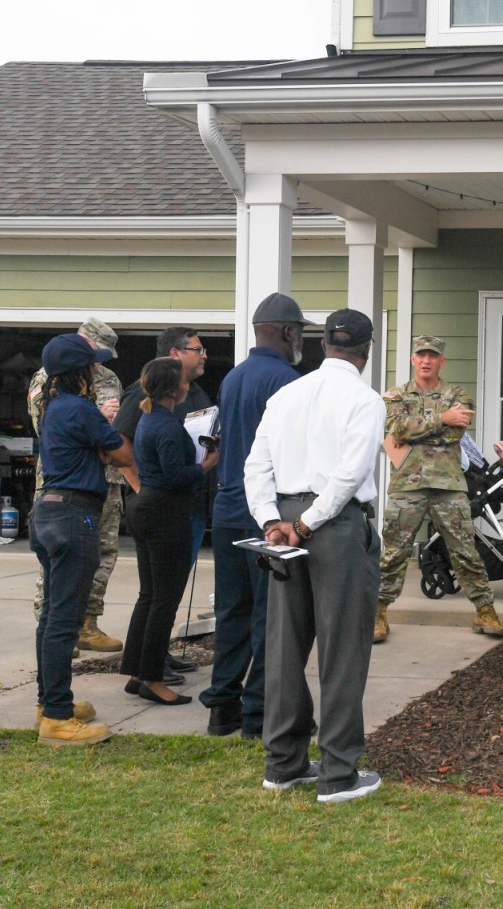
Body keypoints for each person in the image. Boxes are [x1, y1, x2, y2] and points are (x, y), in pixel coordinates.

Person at [244, 308, 385, 804]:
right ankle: (340, 773)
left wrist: (272, 522)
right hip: (337, 527)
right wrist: (304, 524)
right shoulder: (364, 400)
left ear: (323, 343)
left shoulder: (286, 394)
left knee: (284, 646)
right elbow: (349, 476)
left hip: (283, 521)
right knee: (342, 652)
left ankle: (282, 764)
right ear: (367, 350)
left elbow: (255, 467)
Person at [200, 293, 311, 739]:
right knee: (271, 617)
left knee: (232, 612)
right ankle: (257, 714)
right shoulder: (288, 380)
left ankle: (221, 706)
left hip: (227, 509)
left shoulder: (233, 378)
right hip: (266, 514)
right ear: (288, 332)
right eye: (300, 332)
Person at [30, 333, 133, 746]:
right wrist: (109, 437)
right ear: (80, 372)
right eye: (92, 365)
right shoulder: (81, 408)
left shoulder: (53, 406)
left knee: (52, 617)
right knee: (65, 623)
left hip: (48, 511)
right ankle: (56, 719)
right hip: (75, 516)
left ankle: (49, 702)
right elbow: (123, 454)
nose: (97, 371)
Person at [376, 335, 503, 643]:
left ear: (441, 361)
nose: (426, 360)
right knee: (394, 552)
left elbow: (452, 435)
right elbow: (395, 429)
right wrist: (442, 418)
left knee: (465, 551)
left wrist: (421, 427)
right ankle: (378, 612)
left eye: (432, 356)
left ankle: (485, 610)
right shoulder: (394, 395)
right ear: (412, 359)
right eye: (421, 355)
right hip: (407, 487)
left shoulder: (458, 394)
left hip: (449, 486)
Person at [114, 326, 212, 677]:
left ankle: (151, 657)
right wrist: (145, 487)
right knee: (160, 592)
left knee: (166, 590)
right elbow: (120, 443)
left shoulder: (194, 393)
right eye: (197, 349)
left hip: (186, 504)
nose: (203, 356)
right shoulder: (140, 395)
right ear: (174, 354)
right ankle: (148, 666)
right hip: (163, 505)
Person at [27, 317, 126, 654]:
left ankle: (87, 623)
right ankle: (54, 625)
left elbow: (118, 432)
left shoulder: (109, 378)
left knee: (103, 551)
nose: (100, 361)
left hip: (105, 478)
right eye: (96, 353)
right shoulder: (48, 379)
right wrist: (98, 416)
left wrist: (110, 421)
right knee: (62, 557)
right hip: (65, 478)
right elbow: (49, 427)